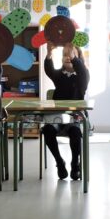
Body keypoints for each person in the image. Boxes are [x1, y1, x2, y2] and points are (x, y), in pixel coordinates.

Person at [42, 42, 89, 180]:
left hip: (74, 117)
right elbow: (49, 70)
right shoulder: (59, 75)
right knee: (48, 130)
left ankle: (75, 163)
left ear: (78, 58)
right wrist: (49, 53)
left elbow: (82, 72)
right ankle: (59, 161)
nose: (68, 57)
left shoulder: (82, 76)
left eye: (71, 55)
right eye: (65, 55)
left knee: (75, 132)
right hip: (57, 117)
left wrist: (75, 59)